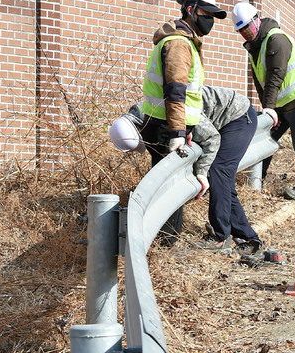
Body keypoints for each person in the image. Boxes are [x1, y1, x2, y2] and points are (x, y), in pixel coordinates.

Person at [111, 85, 263, 255]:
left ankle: (220, 236)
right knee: (223, 182)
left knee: (219, 171)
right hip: (220, 118)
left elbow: (211, 138)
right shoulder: (144, 116)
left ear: (140, 129)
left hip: (238, 116)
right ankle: (248, 237)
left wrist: (201, 173)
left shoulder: (173, 111)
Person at [139, 0, 227, 244]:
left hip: (169, 124)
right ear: (190, 9)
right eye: (207, 14)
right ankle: (163, 245)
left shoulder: (186, 41)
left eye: (213, 16)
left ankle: (162, 242)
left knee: (169, 186)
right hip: (167, 127)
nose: (210, 20)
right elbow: (175, 93)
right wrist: (177, 133)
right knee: (170, 189)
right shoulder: (179, 44)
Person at [231, 1, 295, 202]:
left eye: (247, 27)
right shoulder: (256, 46)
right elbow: (261, 82)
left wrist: (268, 109)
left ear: (257, 19)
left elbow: (275, 76)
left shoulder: (275, 40)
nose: (245, 32)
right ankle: (256, 180)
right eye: (241, 30)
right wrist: (269, 109)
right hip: (282, 104)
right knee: (264, 139)